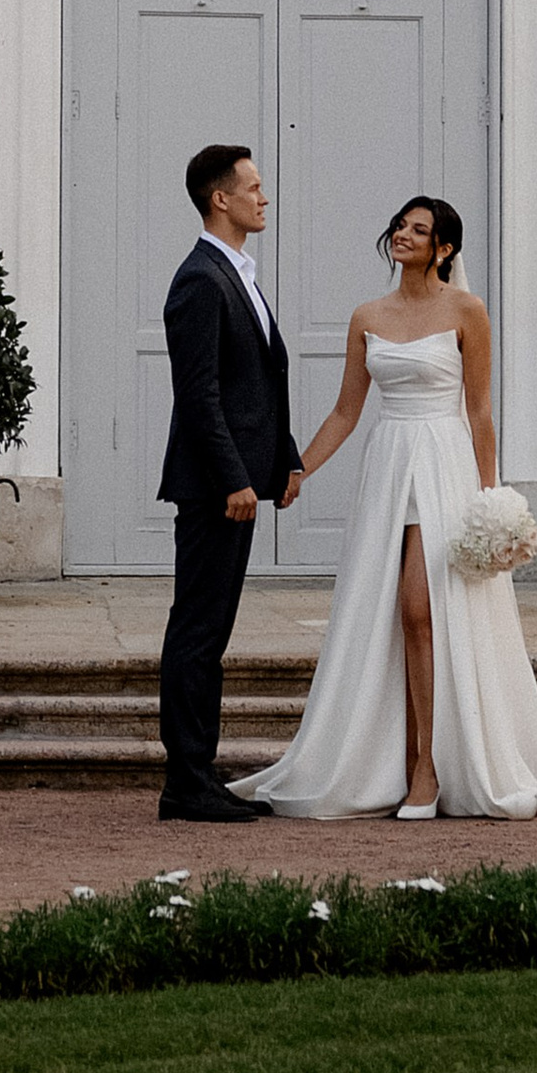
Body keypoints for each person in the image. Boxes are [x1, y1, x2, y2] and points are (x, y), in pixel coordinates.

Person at [232, 194, 537, 820]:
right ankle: (398, 760)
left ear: (444, 248)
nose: (403, 234)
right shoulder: (367, 314)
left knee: (419, 606)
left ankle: (429, 765)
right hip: (388, 464)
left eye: (418, 229)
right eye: (399, 224)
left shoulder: (466, 310)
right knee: (388, 612)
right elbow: (347, 411)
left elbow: (479, 410)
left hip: (445, 465)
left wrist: (493, 501)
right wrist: (297, 470)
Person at [156, 141, 303, 823]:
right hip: (215, 488)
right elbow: (199, 395)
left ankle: (201, 772)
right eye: (254, 187)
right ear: (221, 198)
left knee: (210, 632)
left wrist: (287, 460)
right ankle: (185, 783)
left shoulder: (237, 272)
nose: (264, 197)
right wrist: (235, 480)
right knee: (197, 631)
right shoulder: (200, 279)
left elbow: (259, 380)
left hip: (240, 481)